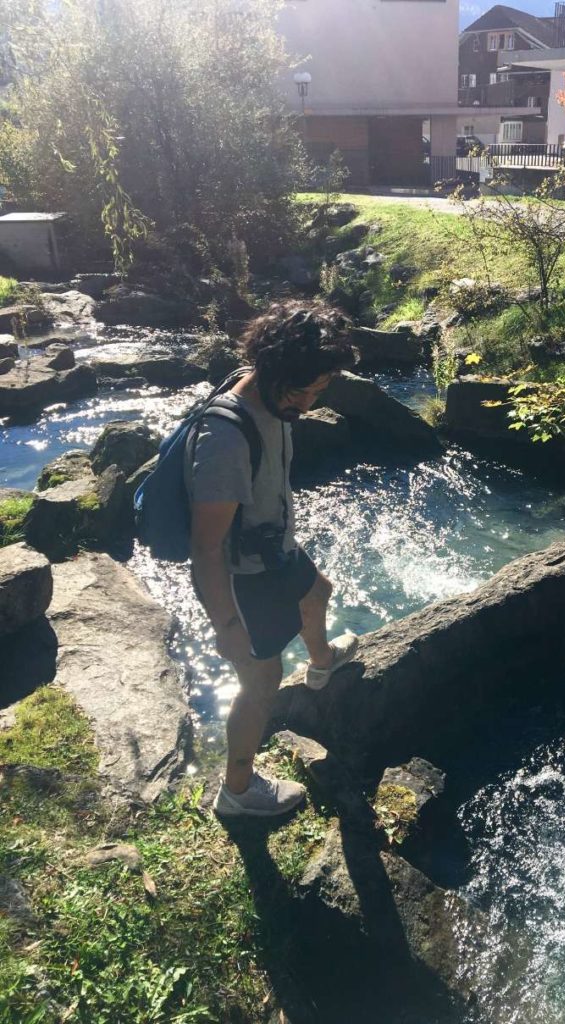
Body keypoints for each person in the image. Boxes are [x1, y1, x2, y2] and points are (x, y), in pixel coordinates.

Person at [188, 300, 359, 818]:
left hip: (275, 547)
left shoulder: (270, 387)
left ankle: (322, 663)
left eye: (319, 391)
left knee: (319, 593)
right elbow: (206, 547)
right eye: (299, 391)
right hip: (246, 577)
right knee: (259, 685)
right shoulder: (224, 439)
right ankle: (237, 792)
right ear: (271, 370)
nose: (307, 404)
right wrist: (225, 625)